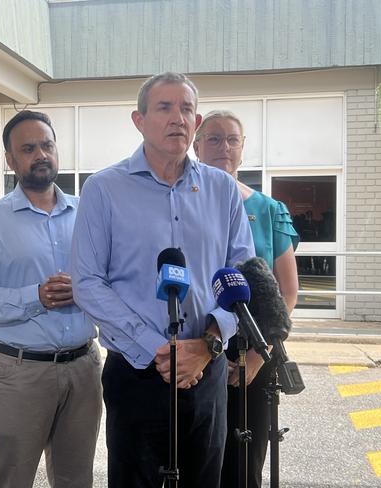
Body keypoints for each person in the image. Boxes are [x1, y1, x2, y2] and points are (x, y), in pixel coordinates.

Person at [70, 72, 255, 488]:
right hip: (137, 373)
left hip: (205, 372)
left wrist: (207, 344)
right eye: (165, 108)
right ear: (139, 120)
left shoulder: (221, 189)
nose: (177, 118)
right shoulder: (104, 189)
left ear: (197, 119)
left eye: (186, 109)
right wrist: (160, 349)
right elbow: (87, 281)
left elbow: (242, 274)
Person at [0, 110, 102, 488]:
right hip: (18, 372)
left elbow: (111, 279)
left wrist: (86, 289)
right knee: (12, 478)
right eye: (28, 148)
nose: (41, 155)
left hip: (84, 368)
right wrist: (35, 296)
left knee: (76, 478)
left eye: (47, 145)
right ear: (11, 160)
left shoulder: (89, 213)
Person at [193, 110, 299, 488]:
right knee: (197, 460)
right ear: (197, 145)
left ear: (242, 148)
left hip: (255, 349)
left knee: (244, 465)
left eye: (232, 139)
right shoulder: (180, 204)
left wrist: (259, 353)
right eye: (214, 138)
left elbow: (287, 292)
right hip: (195, 347)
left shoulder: (269, 210)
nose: (224, 147)